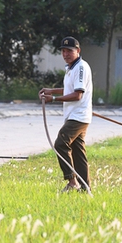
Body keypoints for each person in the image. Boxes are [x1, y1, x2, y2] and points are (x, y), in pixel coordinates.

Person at [39, 36, 93, 192]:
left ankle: (72, 181)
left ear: (78, 51)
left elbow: (77, 95)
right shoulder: (71, 68)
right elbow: (70, 90)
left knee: (60, 144)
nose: (65, 54)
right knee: (78, 151)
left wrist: (53, 98)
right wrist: (51, 90)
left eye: (69, 50)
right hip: (74, 115)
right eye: (63, 51)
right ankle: (85, 188)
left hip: (79, 116)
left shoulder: (81, 67)